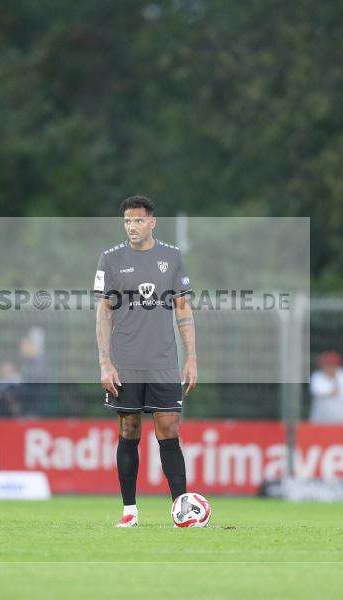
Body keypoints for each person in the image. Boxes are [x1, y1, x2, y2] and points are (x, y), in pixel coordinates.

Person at [94, 195, 197, 528]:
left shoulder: (172, 257)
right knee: (130, 428)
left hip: (164, 361)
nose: (132, 226)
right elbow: (104, 313)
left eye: (138, 220)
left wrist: (192, 358)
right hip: (126, 362)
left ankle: (181, 508)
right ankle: (130, 510)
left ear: (152, 222)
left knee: (168, 428)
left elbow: (183, 309)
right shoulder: (110, 259)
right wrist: (105, 363)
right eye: (127, 221)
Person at [308, 351, 343, 424]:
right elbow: (316, 390)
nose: (326, 368)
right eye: (325, 365)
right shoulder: (317, 376)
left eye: (330, 365)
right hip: (321, 425)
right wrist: (330, 392)